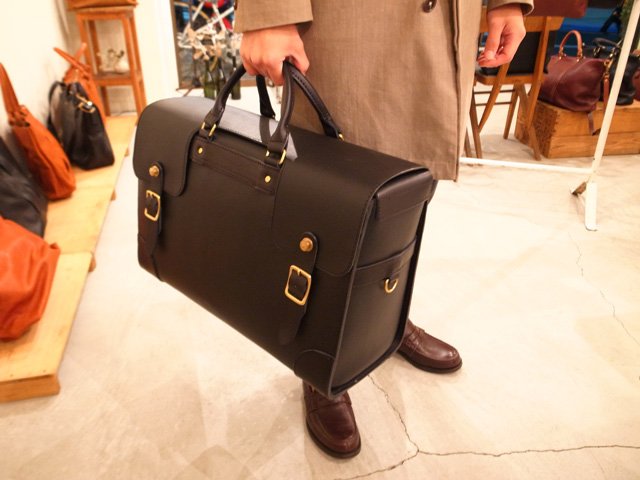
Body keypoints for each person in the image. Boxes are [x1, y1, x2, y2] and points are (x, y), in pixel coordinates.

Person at [234, 0, 532, 458]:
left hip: (439, 22)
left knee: (409, 185)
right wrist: (268, 12)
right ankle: (319, 356)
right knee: (333, 191)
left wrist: (506, 3)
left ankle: (387, 320)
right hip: (350, 20)